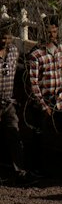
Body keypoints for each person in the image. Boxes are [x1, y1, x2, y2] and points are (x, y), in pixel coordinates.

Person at [28, 21, 62, 176]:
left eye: (55, 32)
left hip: (60, 99)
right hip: (44, 99)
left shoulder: (59, 50)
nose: (52, 35)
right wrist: (43, 105)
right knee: (39, 136)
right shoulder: (36, 54)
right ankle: (37, 169)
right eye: (49, 32)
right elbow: (33, 82)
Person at [0, 25, 28, 182]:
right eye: (3, 38)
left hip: (9, 102)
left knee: (14, 133)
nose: (6, 41)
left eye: (9, 38)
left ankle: (20, 170)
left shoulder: (13, 52)